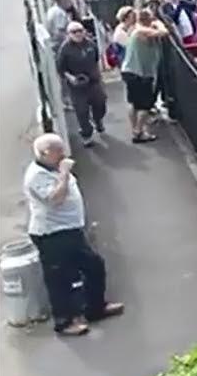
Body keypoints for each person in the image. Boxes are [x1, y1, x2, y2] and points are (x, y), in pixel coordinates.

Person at [23, 133, 125, 336]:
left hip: (70, 229)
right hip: (52, 234)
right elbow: (55, 199)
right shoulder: (36, 176)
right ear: (45, 153)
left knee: (94, 265)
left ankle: (95, 307)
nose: (63, 154)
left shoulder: (54, 166)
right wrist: (63, 173)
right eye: (58, 151)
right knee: (59, 278)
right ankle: (64, 322)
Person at [120, 9, 168, 142]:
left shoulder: (135, 30)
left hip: (130, 71)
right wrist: (159, 23)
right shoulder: (141, 31)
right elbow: (164, 32)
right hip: (140, 73)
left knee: (133, 102)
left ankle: (136, 130)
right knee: (144, 105)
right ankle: (138, 131)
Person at [56, 22, 106, 147]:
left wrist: (99, 76)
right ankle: (86, 134)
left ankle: (98, 120)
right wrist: (71, 78)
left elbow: (96, 60)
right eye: (74, 32)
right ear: (68, 34)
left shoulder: (91, 44)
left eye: (80, 30)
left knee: (100, 104)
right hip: (77, 86)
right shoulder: (65, 49)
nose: (78, 34)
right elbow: (61, 68)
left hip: (93, 82)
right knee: (82, 111)